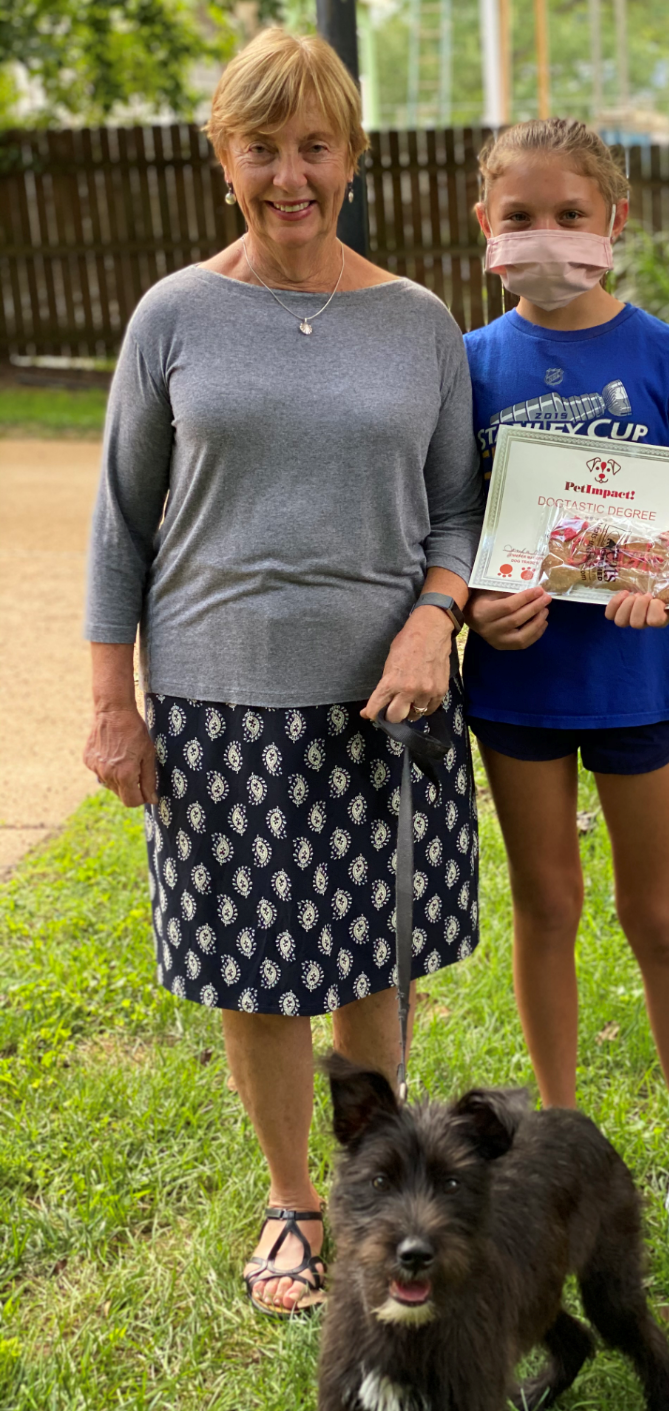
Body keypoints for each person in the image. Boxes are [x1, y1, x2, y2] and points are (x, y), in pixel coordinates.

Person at [82, 28, 482, 1317]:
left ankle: (374, 1204)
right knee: (252, 973)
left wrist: (435, 619)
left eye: (315, 146)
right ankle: (292, 1205)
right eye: (264, 147)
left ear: (352, 158)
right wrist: (111, 704)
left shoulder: (418, 323)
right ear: (225, 158)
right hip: (214, 702)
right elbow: (121, 526)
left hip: (387, 705)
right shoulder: (175, 315)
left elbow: (456, 514)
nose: (290, 173)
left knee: (374, 962)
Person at [462, 119, 669, 1277]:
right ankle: (558, 1151)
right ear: (482, 227)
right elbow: (455, 533)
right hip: (521, 686)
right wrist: (482, 606)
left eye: (569, 216)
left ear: (612, 226)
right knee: (546, 909)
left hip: (640, 684)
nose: (546, 237)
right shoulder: (468, 363)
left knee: (660, 918)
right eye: (520, 216)